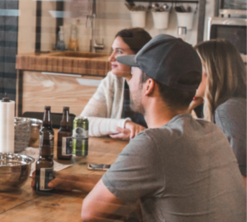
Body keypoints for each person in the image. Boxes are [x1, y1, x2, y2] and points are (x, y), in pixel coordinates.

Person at [37, 35, 247, 221]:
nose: (129, 81)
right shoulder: (211, 132)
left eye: (134, 74)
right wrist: (74, 181)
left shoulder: (154, 143)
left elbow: (91, 211)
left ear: (149, 85)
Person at [80, 28, 151, 140]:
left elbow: (167, 133)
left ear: (138, 56)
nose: (110, 58)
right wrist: (125, 124)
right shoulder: (112, 81)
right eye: (112, 51)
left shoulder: (155, 84)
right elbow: (82, 123)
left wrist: (138, 135)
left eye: (119, 52)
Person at [190, 39, 247, 177]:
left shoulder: (228, 109)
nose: (189, 73)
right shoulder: (234, 105)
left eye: (195, 66)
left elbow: (235, 173)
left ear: (211, 71)